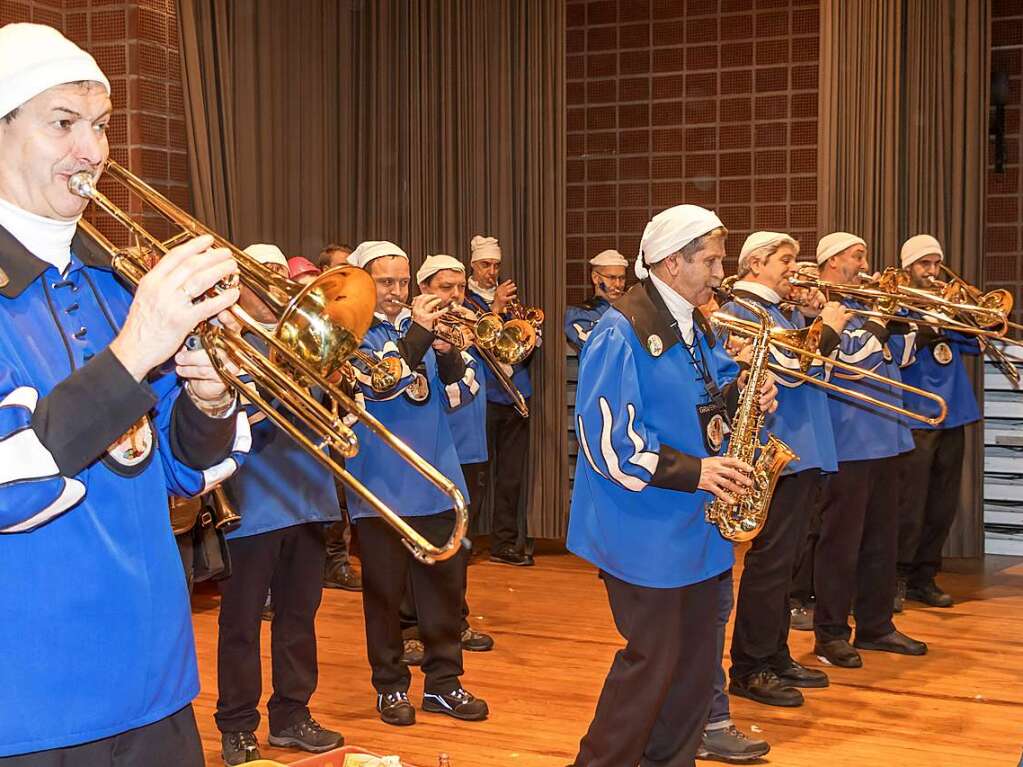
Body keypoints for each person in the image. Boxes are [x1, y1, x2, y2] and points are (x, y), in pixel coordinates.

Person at [0, 22, 247, 765]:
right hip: (31, 700)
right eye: (63, 123)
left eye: (101, 126)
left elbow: (173, 467)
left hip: (157, 681)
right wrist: (135, 350)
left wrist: (208, 404)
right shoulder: (130, 316)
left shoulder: (116, 281)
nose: (94, 152)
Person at [567, 204, 778, 767]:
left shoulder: (697, 320)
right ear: (669, 262)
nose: (719, 272)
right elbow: (607, 443)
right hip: (643, 526)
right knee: (653, 662)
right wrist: (697, 472)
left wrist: (746, 397)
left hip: (696, 524)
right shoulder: (620, 328)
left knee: (693, 666)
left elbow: (706, 394)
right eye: (709, 260)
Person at [345, 241, 489, 727]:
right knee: (385, 596)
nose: (396, 292)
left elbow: (459, 394)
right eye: (386, 282)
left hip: (437, 480)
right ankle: (389, 687)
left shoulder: (417, 328)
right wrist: (422, 336)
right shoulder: (348, 332)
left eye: (403, 282)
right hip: (380, 486)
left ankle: (444, 684)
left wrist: (448, 355)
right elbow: (381, 384)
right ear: (363, 283)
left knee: (445, 593)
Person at [214, 243, 343, 765]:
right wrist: (276, 398)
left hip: (309, 498)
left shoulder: (309, 341)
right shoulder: (223, 344)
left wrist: (335, 386)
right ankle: (238, 724)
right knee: (242, 622)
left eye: (277, 276)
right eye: (259, 276)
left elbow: (337, 417)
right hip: (253, 505)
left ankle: (292, 715)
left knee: (299, 617)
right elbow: (222, 421)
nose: (271, 286)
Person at [719, 232, 840, 712]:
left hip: (804, 448)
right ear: (754, 264)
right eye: (785, 260)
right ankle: (750, 667)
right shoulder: (745, 310)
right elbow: (790, 371)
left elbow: (820, 373)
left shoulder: (784, 312)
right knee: (770, 565)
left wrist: (811, 320)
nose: (795, 268)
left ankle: (775, 651)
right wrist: (825, 328)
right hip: (781, 447)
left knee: (787, 564)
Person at [812, 232, 927, 668]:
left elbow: (903, 357)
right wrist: (880, 317)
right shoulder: (825, 307)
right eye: (857, 256)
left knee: (882, 538)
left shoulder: (863, 307)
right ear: (833, 260)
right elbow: (854, 364)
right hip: (848, 439)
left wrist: (905, 316)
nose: (864, 263)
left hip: (887, 436)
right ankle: (831, 632)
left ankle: (876, 625)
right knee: (842, 543)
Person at [408, 254, 494, 653]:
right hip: (437, 450)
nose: (457, 296)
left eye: (460, 288)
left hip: (470, 448)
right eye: (446, 288)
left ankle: (454, 620)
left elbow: (470, 389)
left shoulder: (462, 331)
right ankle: (411, 627)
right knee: (424, 545)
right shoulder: (415, 336)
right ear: (423, 290)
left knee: (460, 544)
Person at [896, 234, 981, 609]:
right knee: (910, 504)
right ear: (908, 269)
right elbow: (895, 353)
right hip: (917, 414)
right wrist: (923, 325)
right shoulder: (896, 306)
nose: (931, 272)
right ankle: (897, 576)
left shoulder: (949, 307)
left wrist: (964, 312)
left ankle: (924, 576)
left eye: (935, 264)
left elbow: (979, 339)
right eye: (923, 264)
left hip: (954, 415)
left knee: (942, 504)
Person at [465, 234, 537, 566]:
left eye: (495, 265)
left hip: (515, 394)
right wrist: (495, 309)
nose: (491, 271)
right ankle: (462, 542)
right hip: (482, 397)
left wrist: (528, 328)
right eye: (485, 265)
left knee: (511, 476)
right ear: (472, 265)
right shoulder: (463, 302)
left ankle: (505, 542)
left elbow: (520, 342)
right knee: (475, 477)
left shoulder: (510, 304)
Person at [564, 249, 628, 354]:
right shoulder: (579, 314)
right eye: (611, 278)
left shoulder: (631, 311)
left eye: (622, 278)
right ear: (595, 278)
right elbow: (595, 344)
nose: (618, 284)